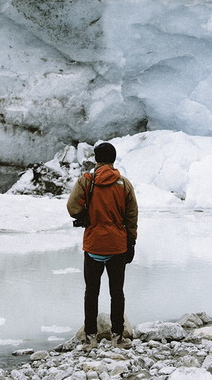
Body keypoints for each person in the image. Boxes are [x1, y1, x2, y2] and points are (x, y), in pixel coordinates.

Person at [66, 141, 138, 349]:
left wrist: (86, 217)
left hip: (94, 246)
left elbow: (72, 207)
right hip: (117, 246)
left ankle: (91, 338)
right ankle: (118, 336)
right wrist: (131, 241)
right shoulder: (123, 183)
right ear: (113, 159)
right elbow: (131, 216)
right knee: (117, 292)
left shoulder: (86, 181)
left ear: (96, 159)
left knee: (91, 292)